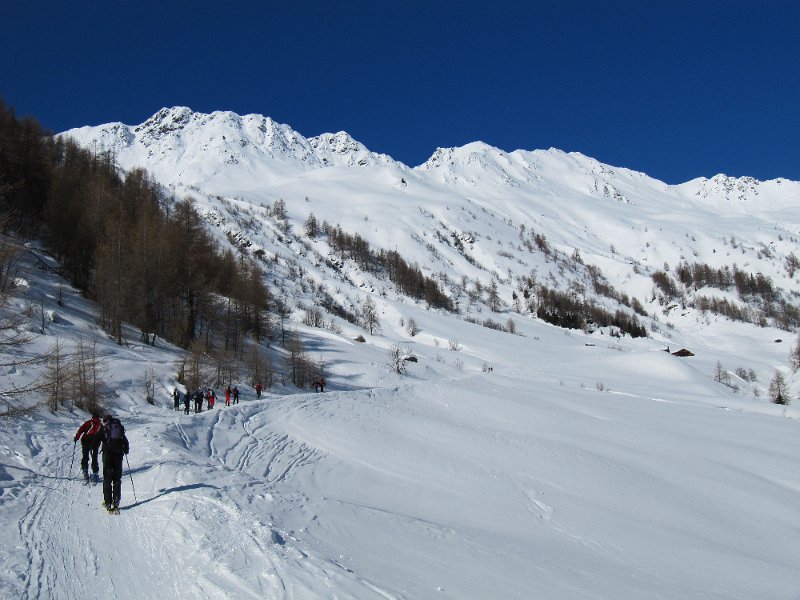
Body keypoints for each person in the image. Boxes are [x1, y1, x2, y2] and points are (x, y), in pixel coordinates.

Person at [100, 415, 129, 511]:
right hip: (118, 455)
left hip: (107, 455)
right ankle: (116, 500)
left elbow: (96, 440)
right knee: (117, 478)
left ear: (106, 421)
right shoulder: (118, 427)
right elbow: (125, 442)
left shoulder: (105, 428)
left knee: (107, 479)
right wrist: (125, 450)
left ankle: (107, 502)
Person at [74, 413, 103, 482]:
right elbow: (103, 435)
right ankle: (95, 473)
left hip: (86, 441)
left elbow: (81, 429)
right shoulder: (100, 425)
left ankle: (85, 472)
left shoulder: (89, 423)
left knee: (85, 456)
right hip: (95, 443)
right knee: (94, 457)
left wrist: (77, 437)